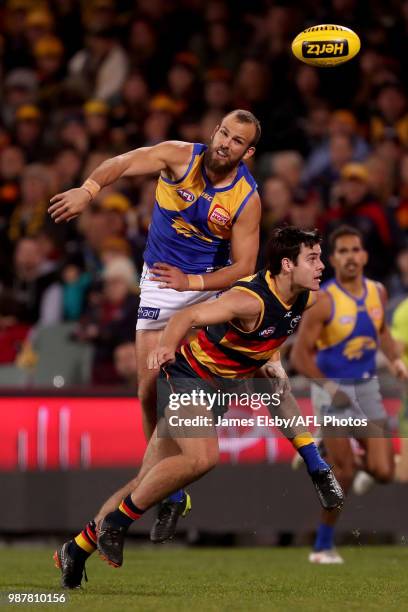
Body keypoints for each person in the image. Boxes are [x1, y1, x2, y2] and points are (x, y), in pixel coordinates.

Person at [54, 226, 344, 587]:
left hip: (218, 390)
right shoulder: (248, 300)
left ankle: (78, 548)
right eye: (313, 258)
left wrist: (274, 357)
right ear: (287, 265)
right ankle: (117, 523)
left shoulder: (305, 296)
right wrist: (166, 347)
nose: (322, 265)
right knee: (203, 457)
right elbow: (185, 318)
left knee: (147, 479)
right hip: (187, 378)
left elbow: (276, 331)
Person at [49, 109, 262, 540]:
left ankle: (171, 481)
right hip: (161, 287)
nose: (224, 142)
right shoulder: (178, 157)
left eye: (236, 140)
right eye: (222, 131)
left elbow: (244, 266)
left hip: (208, 289)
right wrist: (89, 191)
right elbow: (123, 162)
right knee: (147, 390)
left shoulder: (246, 198)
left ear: (248, 152)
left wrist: (194, 282)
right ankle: (168, 490)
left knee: (194, 390)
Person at [291, 225, 408, 564]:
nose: (350, 257)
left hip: (367, 388)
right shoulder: (323, 301)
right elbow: (300, 357)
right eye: (342, 251)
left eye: (355, 250)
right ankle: (322, 546)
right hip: (333, 391)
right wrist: (329, 388)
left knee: (384, 472)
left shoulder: (378, 293)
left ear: (365, 255)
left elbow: (382, 331)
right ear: (333, 259)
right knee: (342, 472)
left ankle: (331, 447)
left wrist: (397, 361)